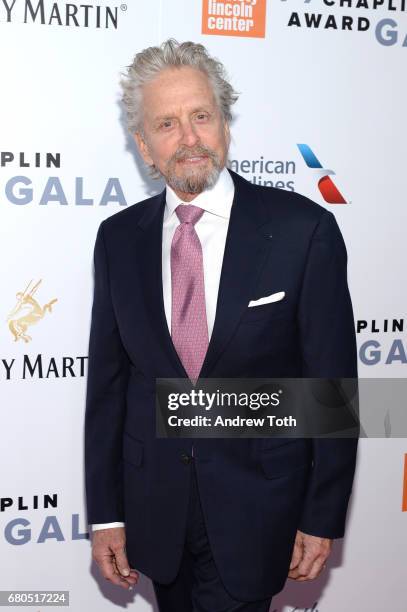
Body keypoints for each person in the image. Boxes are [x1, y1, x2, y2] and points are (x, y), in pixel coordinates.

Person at [84, 39, 358, 612]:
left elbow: (331, 391)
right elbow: (109, 390)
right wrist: (107, 513)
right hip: (156, 512)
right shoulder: (117, 239)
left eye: (201, 116)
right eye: (166, 123)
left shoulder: (302, 232)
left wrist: (322, 512)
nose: (188, 137)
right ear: (144, 146)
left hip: (259, 510)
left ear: (224, 125)